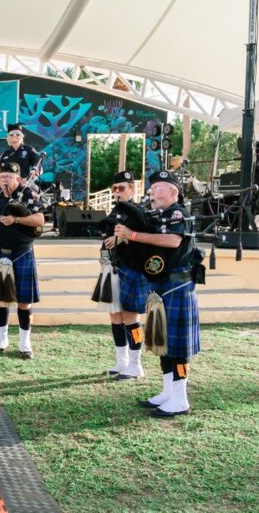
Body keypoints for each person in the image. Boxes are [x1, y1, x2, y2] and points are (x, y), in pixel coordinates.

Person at [114, 170, 200, 417]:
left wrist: (132, 235)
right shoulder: (156, 214)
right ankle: (167, 392)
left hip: (177, 287)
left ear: (173, 192)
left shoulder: (178, 213)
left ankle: (180, 397)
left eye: (159, 188)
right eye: (152, 189)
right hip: (159, 285)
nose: (153, 192)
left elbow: (173, 241)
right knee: (163, 343)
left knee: (178, 347)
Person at [0, 162, 44, 359]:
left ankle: (25, 343)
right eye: (2, 176)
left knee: (24, 302)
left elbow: (40, 220)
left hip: (22, 253)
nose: (5, 180)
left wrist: (17, 220)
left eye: (10, 177)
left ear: (19, 179)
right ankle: (1, 340)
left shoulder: (28, 196)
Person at [100, 171, 147, 379]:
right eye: (114, 189)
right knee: (115, 315)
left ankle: (136, 364)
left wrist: (123, 239)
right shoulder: (114, 212)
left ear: (133, 189)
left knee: (131, 317)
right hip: (114, 267)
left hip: (134, 268)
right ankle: (122, 361)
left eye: (122, 188)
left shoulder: (140, 212)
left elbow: (148, 237)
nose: (117, 192)